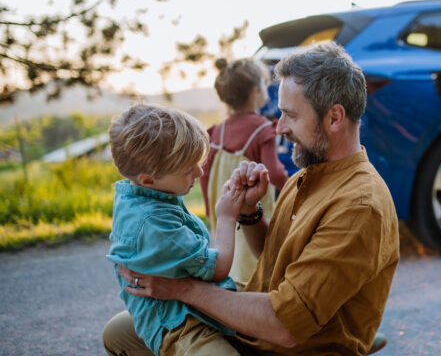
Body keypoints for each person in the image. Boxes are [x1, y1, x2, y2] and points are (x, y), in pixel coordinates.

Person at [103, 42, 400, 355]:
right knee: (120, 332)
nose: (279, 126)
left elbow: (283, 325)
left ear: (335, 117)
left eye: (290, 115)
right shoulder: (308, 176)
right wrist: (249, 212)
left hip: (289, 344)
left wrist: (182, 289)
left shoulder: (359, 206)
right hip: (255, 330)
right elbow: (275, 254)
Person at [106, 104, 245, 355]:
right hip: (180, 324)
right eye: (188, 170)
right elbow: (218, 267)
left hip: (192, 305)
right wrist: (225, 217)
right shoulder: (153, 223)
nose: (200, 172)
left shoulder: (143, 194)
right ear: (149, 179)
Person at [201, 57, 288, 284]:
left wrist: (210, 210)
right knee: (255, 260)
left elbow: (205, 175)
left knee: (231, 256)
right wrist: (296, 190)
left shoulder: (217, 131)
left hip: (224, 207)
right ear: (255, 90)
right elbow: (275, 173)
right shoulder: (261, 129)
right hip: (251, 211)